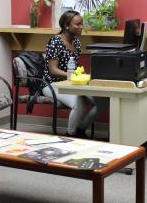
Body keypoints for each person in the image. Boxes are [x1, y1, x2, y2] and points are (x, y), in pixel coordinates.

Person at [42, 10, 108, 138]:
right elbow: (52, 70)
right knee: (79, 102)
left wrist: (80, 76)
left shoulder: (76, 42)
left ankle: (80, 129)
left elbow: (75, 68)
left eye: (82, 23)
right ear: (67, 26)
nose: (81, 27)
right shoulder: (55, 41)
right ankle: (70, 134)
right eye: (77, 24)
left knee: (102, 101)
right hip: (51, 84)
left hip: (71, 83)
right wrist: (72, 76)